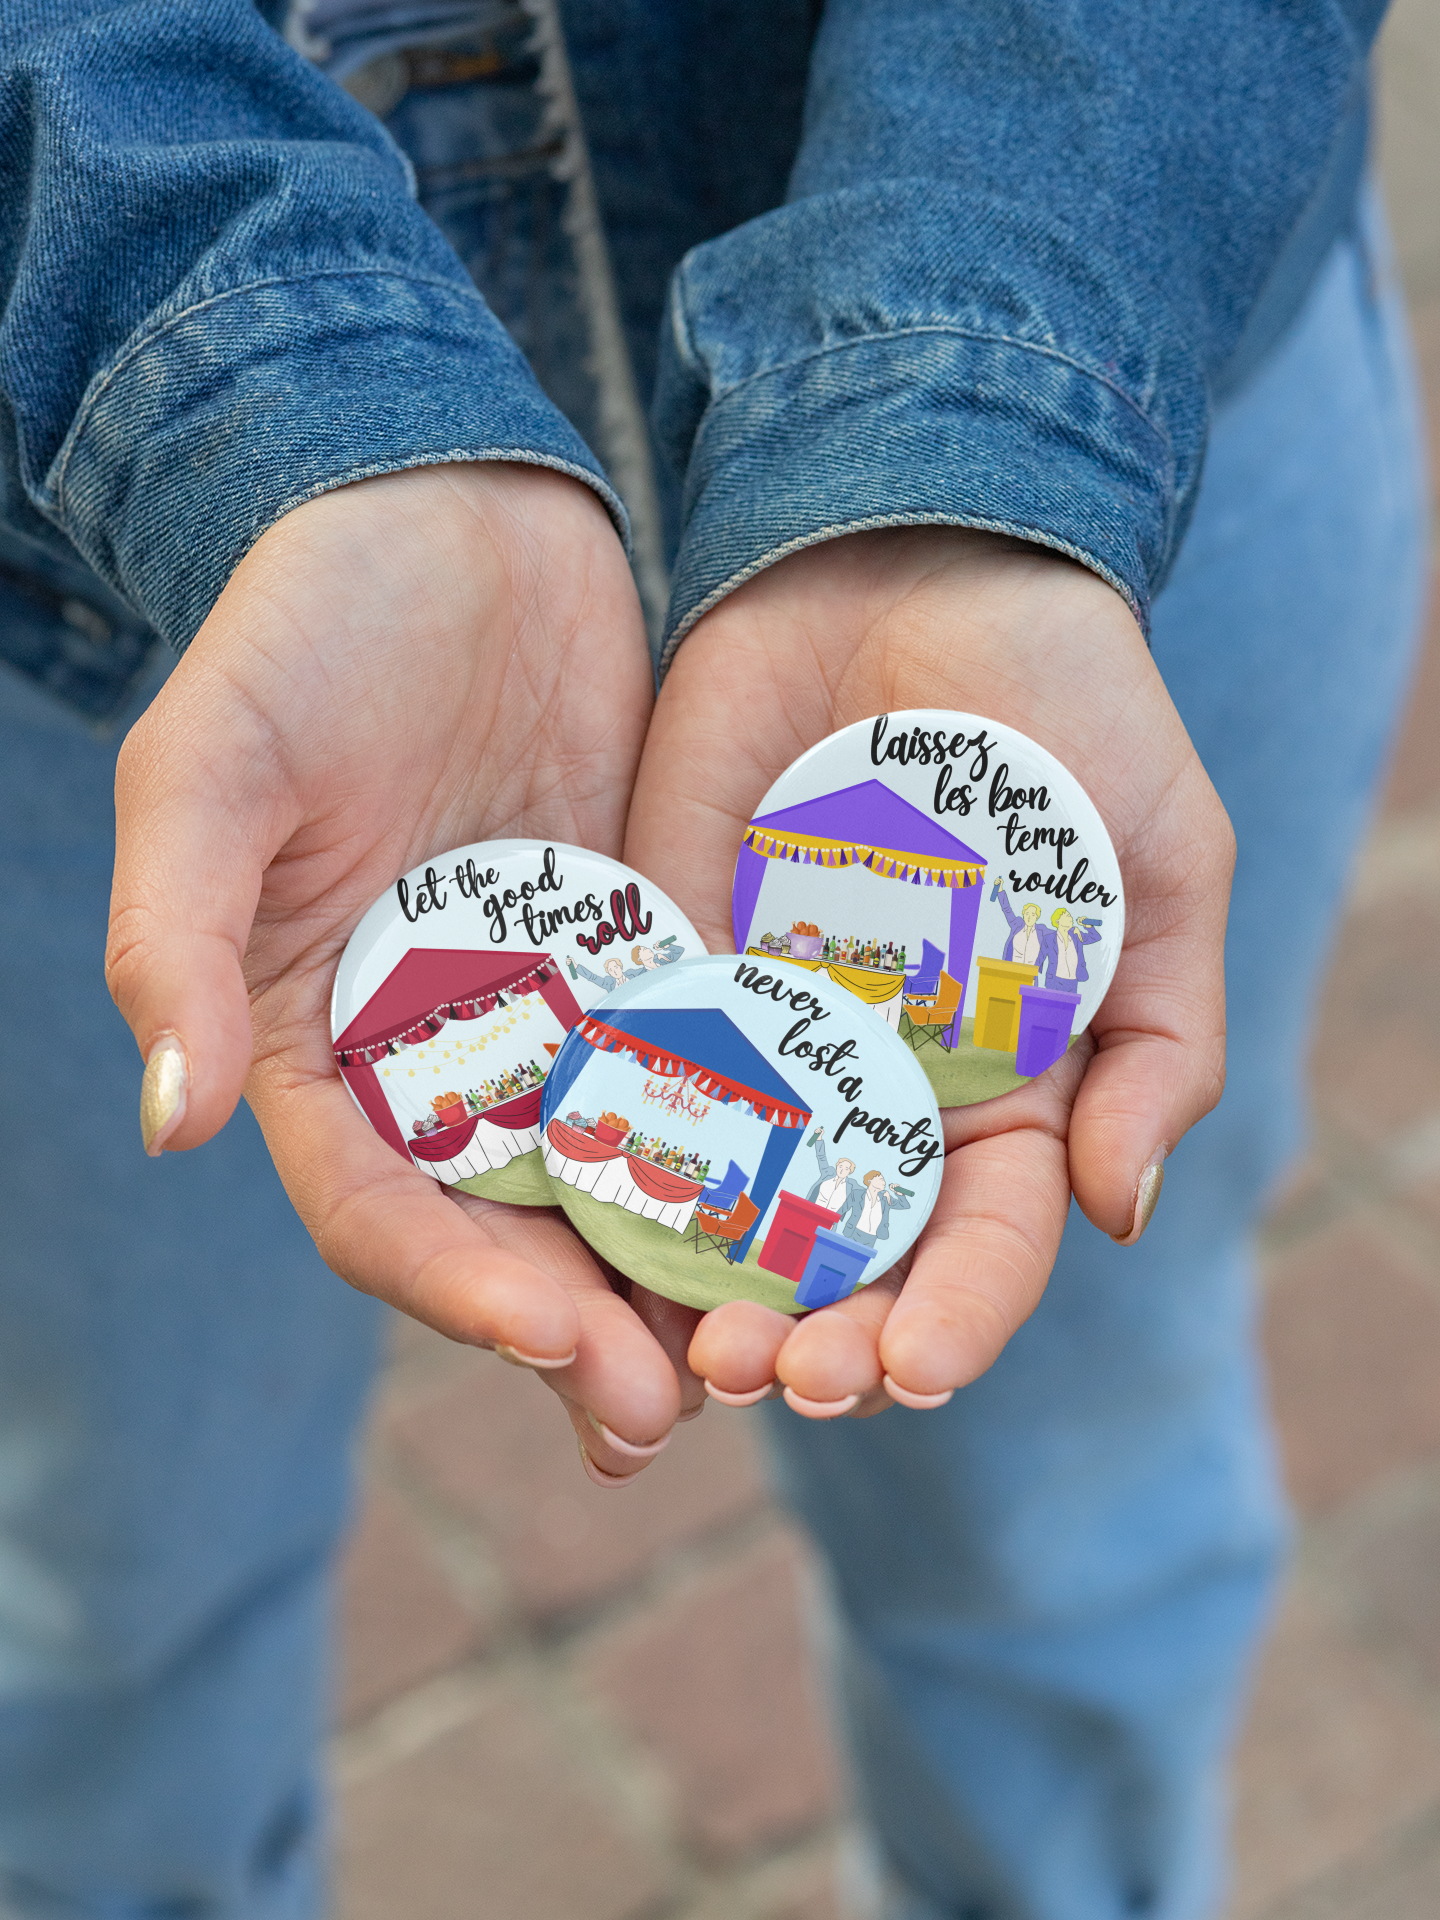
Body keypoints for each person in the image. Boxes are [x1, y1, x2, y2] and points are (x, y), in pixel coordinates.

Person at [0, 5, 1426, 1918]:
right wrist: (239, 377)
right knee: (121, 1590)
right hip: (105, 510)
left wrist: (977, 392)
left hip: (1091, 386)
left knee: (1065, 1547)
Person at [840, 1169, 912, 1250]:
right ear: (870, 1181)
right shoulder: (857, 1194)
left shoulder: (885, 1198)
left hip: (872, 1237)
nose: (884, 1183)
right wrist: (832, 1221)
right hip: (854, 1232)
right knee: (845, 1254)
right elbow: (843, 1208)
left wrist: (899, 1194)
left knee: (863, 1257)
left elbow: (905, 1205)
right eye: (881, 1179)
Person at [806, 1126, 862, 1219]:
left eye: (846, 1168)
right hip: (811, 1212)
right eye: (840, 1166)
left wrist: (884, 1193)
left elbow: (867, 1192)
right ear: (836, 1167)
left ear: (850, 1172)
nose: (842, 1170)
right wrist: (819, 1139)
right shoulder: (828, 1172)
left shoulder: (852, 1184)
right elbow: (821, 1157)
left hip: (830, 1220)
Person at [992, 885, 1045, 968]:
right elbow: (1007, 910)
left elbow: (1057, 933)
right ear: (1023, 915)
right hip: (1011, 969)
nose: (1029, 917)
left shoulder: (1042, 930)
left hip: (1030, 973)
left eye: (1033, 914)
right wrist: (1000, 890)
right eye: (1027, 914)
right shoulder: (1017, 924)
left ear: (1037, 917)